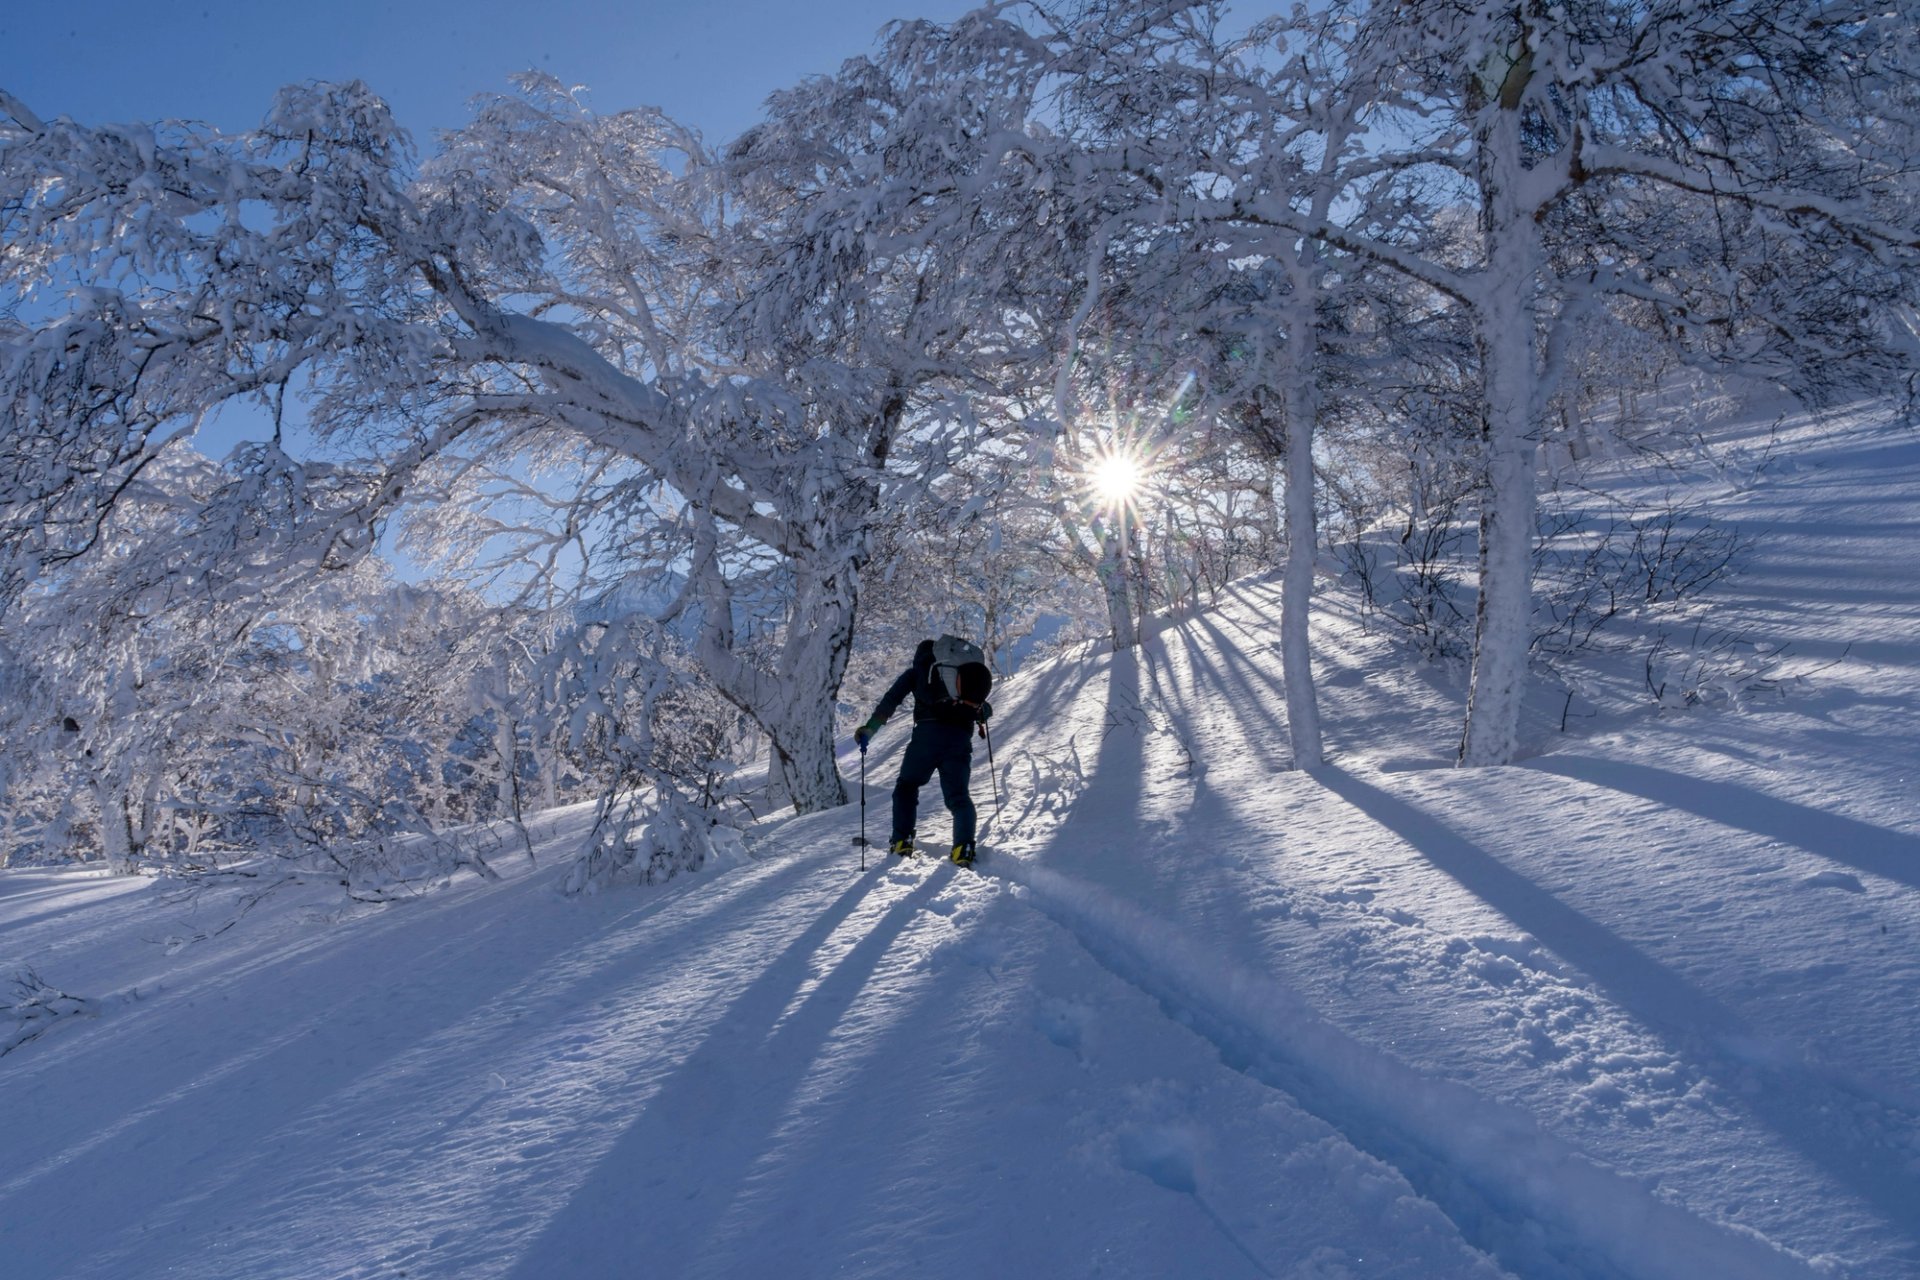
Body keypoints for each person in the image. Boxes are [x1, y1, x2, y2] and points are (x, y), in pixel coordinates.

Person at [854, 636, 993, 864]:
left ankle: (902, 841)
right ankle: (963, 849)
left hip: (926, 737)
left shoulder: (917, 673)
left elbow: (891, 701)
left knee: (907, 786)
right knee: (959, 797)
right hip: (959, 739)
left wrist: (869, 730)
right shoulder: (958, 675)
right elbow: (983, 709)